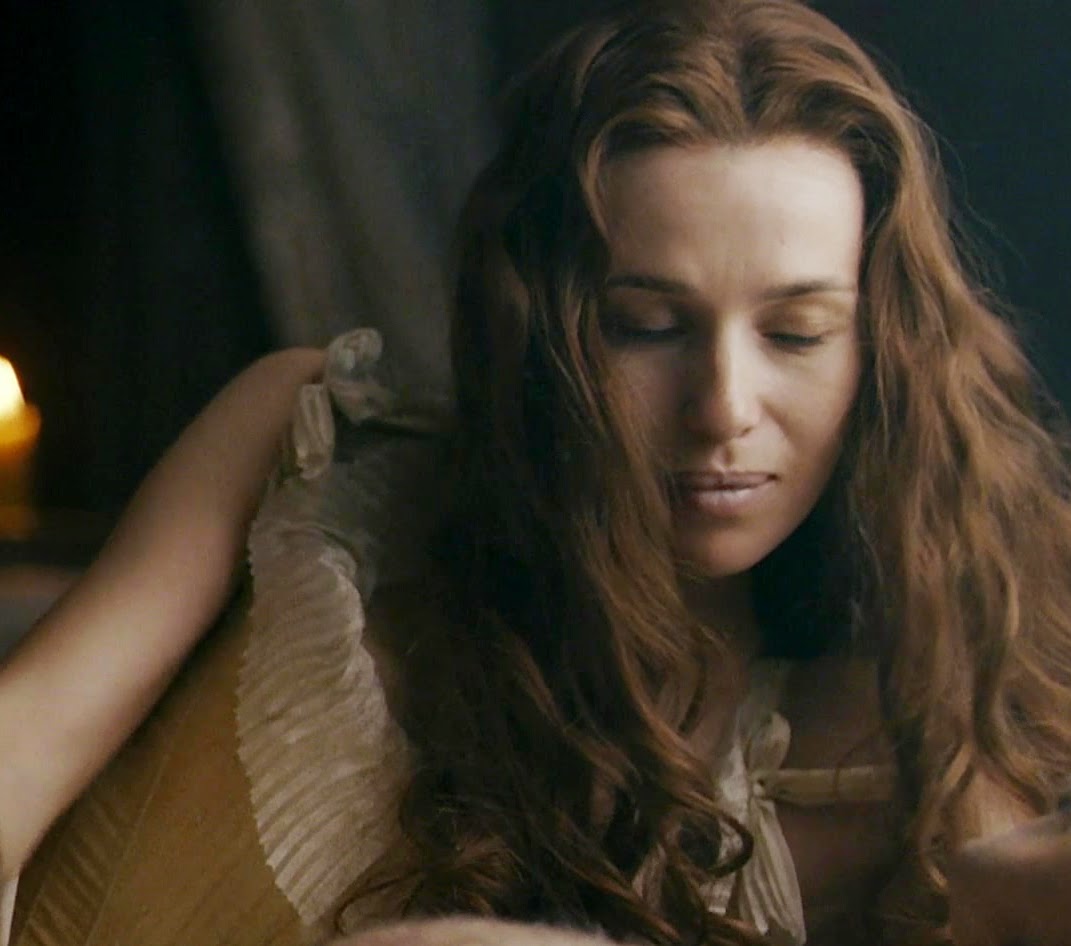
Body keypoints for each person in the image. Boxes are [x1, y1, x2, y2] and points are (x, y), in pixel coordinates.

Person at [1, 1, 1070, 945]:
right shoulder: (309, 462)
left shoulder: (904, 723)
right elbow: (21, 745)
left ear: (882, 352)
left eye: (798, 333)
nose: (723, 407)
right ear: (536, 328)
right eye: (644, 325)